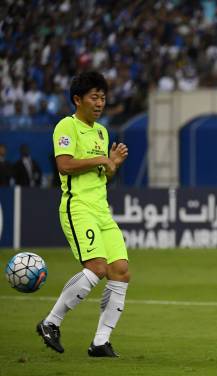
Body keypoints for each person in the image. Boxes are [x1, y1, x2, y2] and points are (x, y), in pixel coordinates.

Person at [36, 71, 130, 358]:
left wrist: (112, 164)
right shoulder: (67, 126)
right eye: (94, 97)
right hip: (78, 207)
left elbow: (103, 175)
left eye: (103, 97)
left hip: (102, 209)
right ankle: (50, 322)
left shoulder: (102, 133)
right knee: (97, 268)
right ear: (78, 99)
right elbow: (64, 165)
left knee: (121, 272)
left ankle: (100, 342)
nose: (100, 103)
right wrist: (102, 159)